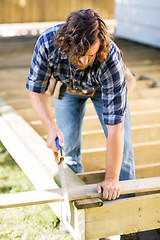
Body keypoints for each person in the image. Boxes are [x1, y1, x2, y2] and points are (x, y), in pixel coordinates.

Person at [26, 9, 135, 202]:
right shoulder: (47, 43)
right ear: (67, 44)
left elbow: (115, 128)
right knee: (69, 151)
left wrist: (110, 178)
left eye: (91, 55)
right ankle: (74, 203)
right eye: (80, 54)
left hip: (104, 89)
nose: (84, 61)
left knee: (124, 152)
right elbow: (36, 89)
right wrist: (50, 127)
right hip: (67, 87)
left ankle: (127, 219)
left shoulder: (110, 58)